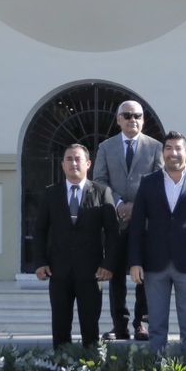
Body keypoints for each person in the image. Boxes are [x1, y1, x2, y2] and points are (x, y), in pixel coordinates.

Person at [128, 131, 186, 354]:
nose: (174, 153)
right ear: (163, 153)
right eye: (169, 148)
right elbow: (137, 226)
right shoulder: (148, 183)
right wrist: (135, 262)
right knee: (157, 325)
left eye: (178, 148)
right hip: (155, 264)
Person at [33, 144, 118, 349]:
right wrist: (40, 262)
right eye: (68, 159)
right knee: (60, 326)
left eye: (77, 159)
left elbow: (113, 232)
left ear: (88, 164)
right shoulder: (51, 194)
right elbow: (40, 230)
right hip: (59, 271)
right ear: (62, 165)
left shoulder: (101, 192)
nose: (73, 163)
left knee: (90, 327)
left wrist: (108, 265)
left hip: (91, 273)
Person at [92, 99, 163, 339]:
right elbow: (99, 180)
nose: (133, 120)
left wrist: (137, 206)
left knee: (145, 273)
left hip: (145, 222)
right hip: (116, 220)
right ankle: (119, 324)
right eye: (128, 115)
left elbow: (160, 181)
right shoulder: (106, 147)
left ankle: (142, 322)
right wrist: (121, 203)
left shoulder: (155, 147)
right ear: (119, 119)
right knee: (116, 275)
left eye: (138, 116)